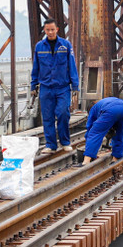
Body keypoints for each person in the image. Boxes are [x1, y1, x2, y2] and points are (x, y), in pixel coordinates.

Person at [30, 19, 79, 154]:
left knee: (63, 113)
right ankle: (51, 144)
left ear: (57, 29)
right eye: (47, 30)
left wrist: (75, 85)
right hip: (46, 87)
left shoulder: (65, 45)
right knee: (47, 116)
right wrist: (33, 85)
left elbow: (72, 66)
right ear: (44, 31)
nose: (50, 32)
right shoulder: (39, 47)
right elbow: (36, 67)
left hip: (62, 87)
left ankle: (65, 142)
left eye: (52, 29)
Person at [81, 97, 123, 164]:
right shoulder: (103, 103)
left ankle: (86, 160)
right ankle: (116, 157)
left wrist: (88, 139)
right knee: (120, 133)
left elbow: (90, 126)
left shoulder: (93, 109)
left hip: (111, 110)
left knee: (94, 133)